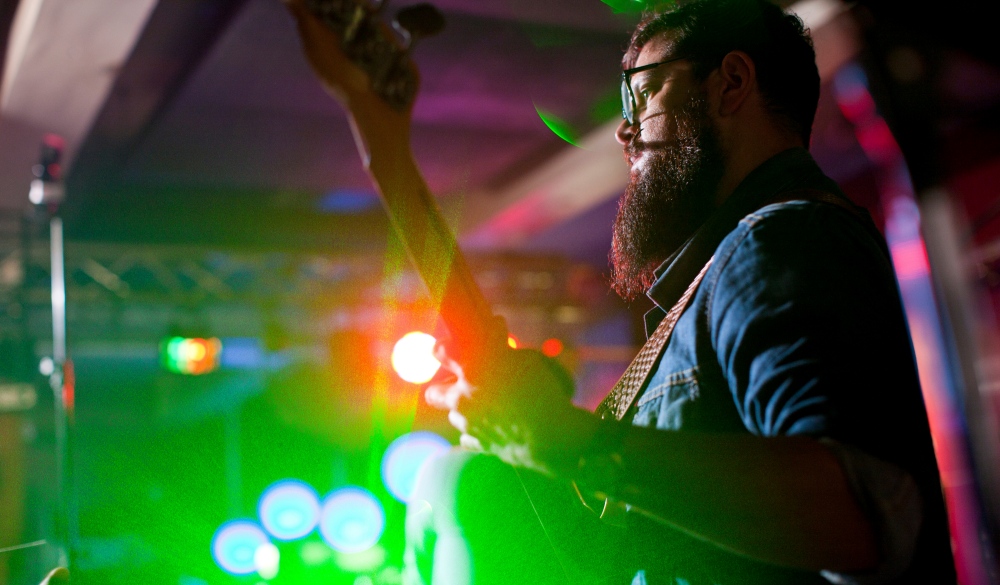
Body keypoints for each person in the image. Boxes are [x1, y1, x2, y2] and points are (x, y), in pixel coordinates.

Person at [285, 0, 955, 583]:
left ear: (731, 83)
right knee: (469, 479)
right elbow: (546, 477)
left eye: (642, 93)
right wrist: (387, 150)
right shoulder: (719, 278)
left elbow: (866, 513)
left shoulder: (781, 239)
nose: (624, 129)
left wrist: (573, 443)